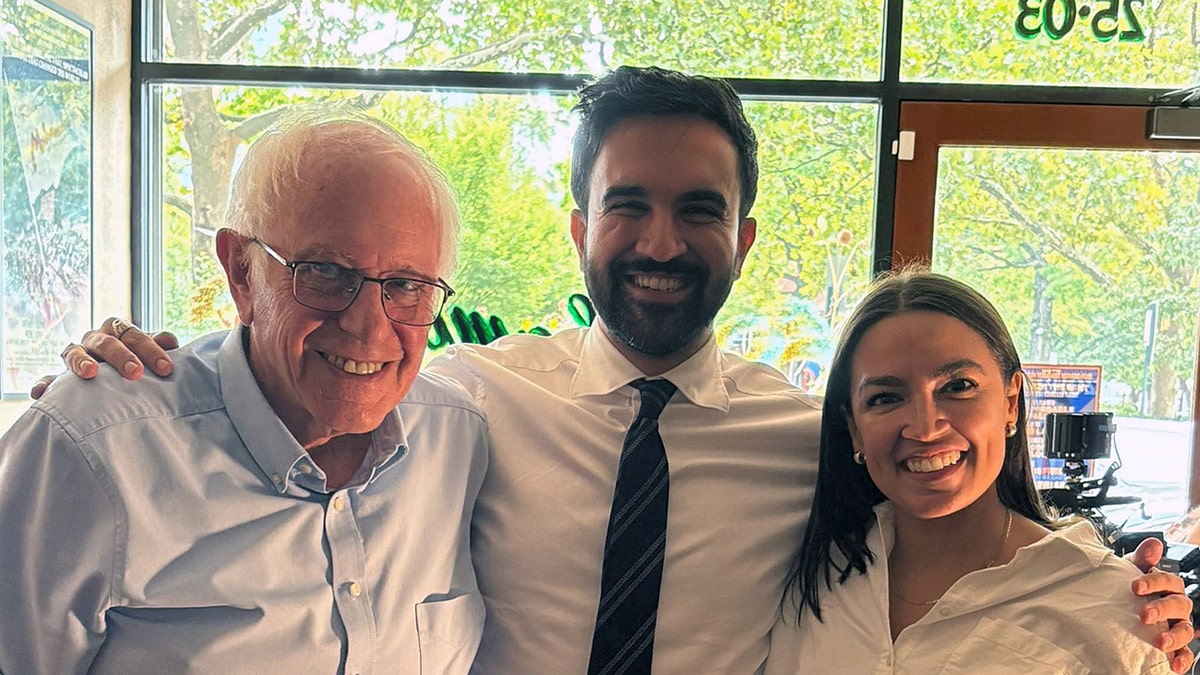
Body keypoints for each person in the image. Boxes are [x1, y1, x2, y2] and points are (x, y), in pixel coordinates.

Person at [38, 67, 1198, 673]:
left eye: (699, 210)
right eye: (627, 204)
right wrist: (141, 366)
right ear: (578, 226)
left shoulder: (811, 437)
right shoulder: (462, 398)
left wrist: (1122, 601)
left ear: (744, 238)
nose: (658, 242)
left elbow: (947, 505)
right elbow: (323, 345)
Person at [0, 115, 489, 673]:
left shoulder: (460, 438)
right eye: (326, 272)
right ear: (241, 271)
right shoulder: (94, 451)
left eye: (405, 286)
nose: (369, 328)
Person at [766, 271, 1174, 674]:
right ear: (854, 428)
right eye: (885, 398)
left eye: (958, 386)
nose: (925, 428)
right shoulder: (804, 572)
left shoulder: (1109, 606)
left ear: (1010, 403)